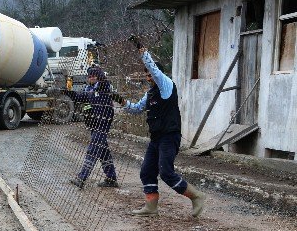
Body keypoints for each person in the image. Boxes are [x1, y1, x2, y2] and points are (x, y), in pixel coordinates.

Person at [124, 47, 205, 217]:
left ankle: (196, 196)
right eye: (146, 75)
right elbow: (136, 108)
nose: (148, 77)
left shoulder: (166, 85)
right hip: (156, 138)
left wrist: (143, 54)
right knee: (146, 172)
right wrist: (120, 100)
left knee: (166, 172)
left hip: (169, 136)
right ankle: (151, 207)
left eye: (150, 74)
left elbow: (155, 70)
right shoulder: (150, 93)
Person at [69, 66, 119, 188]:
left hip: (102, 123)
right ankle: (111, 178)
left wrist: (98, 71)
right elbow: (79, 98)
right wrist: (68, 92)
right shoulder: (89, 89)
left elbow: (104, 82)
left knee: (93, 150)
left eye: (93, 75)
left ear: (99, 77)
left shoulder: (103, 87)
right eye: (89, 76)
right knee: (103, 152)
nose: (91, 77)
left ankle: (82, 178)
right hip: (93, 124)